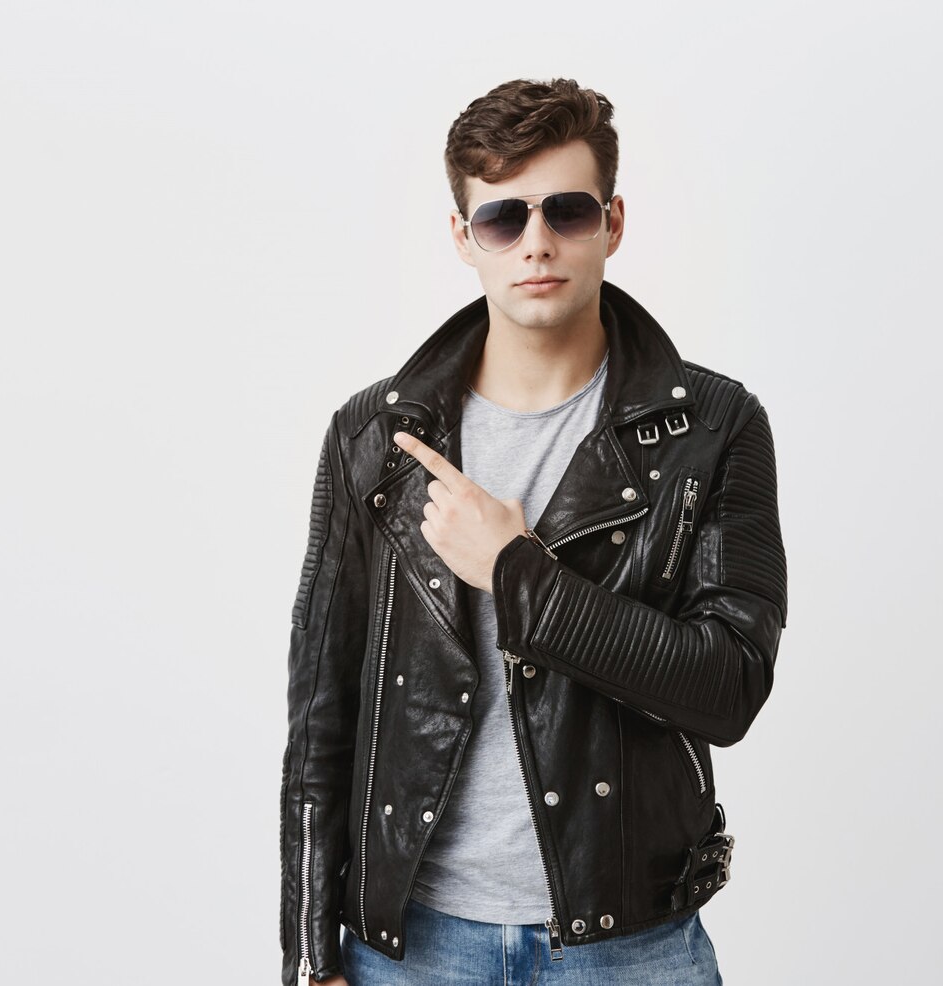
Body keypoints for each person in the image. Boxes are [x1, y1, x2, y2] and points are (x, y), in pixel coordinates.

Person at [278, 78, 788, 986]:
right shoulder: (374, 439)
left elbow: (729, 687)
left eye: (568, 211)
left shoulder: (713, 428)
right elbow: (323, 717)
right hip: (413, 949)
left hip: (630, 949)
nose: (537, 243)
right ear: (463, 237)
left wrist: (519, 573)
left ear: (612, 223)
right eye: (503, 218)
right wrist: (311, 954)